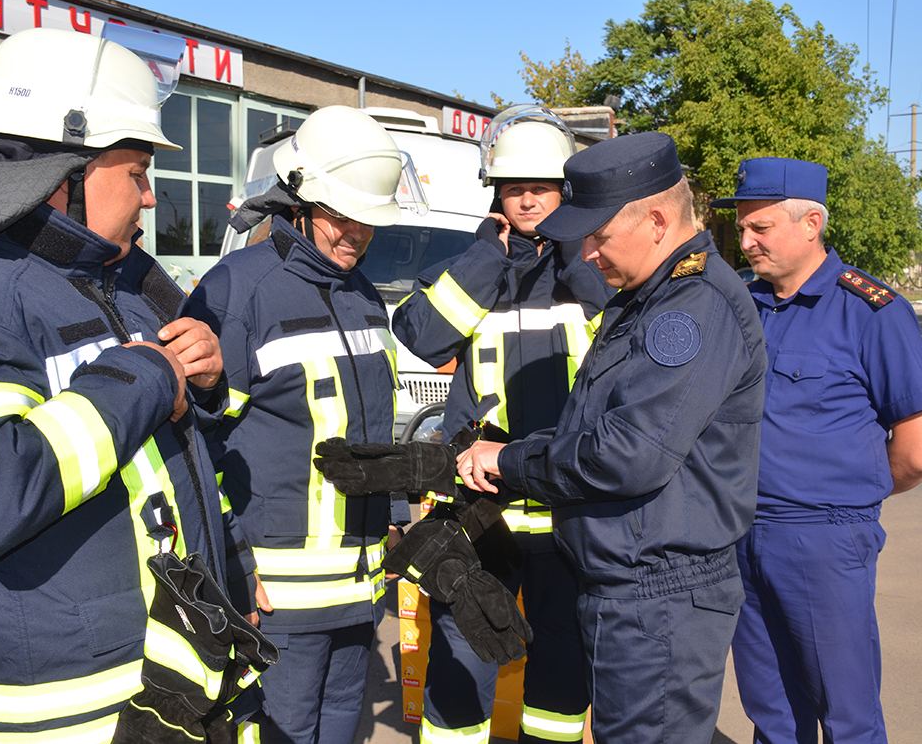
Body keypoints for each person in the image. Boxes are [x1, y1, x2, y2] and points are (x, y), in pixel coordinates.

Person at [0, 26, 264, 742]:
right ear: (63, 173)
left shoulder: (120, 281)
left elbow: (174, 458)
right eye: (136, 172)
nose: (147, 198)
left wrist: (201, 382)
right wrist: (146, 375)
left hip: (164, 668)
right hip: (65, 703)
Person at [446, 132, 767, 744]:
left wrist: (509, 460)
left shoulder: (688, 309)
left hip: (658, 592)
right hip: (628, 585)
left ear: (654, 220)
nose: (586, 254)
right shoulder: (645, 299)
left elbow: (626, 453)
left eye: (598, 236)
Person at [183, 105, 427, 744]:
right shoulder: (240, 289)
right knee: (281, 729)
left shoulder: (364, 294)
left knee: (343, 720)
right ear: (299, 198)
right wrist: (230, 560)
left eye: (367, 221)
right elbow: (197, 441)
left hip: (360, 570)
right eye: (340, 216)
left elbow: (375, 420)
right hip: (278, 589)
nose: (355, 235)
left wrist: (397, 512)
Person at [391, 105, 612, 744]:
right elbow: (423, 335)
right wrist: (489, 255)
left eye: (542, 186)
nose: (527, 199)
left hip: (563, 501)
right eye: (513, 187)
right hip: (478, 503)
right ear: (494, 193)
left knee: (562, 653)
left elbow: (617, 326)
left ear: (565, 190)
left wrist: (574, 248)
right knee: (462, 650)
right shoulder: (474, 265)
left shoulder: (592, 267)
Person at [709, 157, 922, 744]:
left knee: (846, 712)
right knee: (770, 707)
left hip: (823, 535)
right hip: (740, 530)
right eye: (743, 228)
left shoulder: (872, 312)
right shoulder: (742, 306)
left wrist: (851, 492)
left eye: (761, 228)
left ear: (811, 223)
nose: (746, 242)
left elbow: (914, 447)